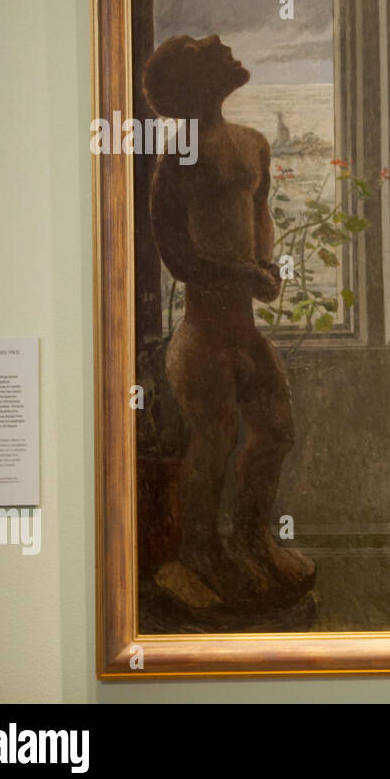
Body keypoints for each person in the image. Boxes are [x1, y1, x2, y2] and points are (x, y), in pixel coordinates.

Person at [145, 34, 315, 610]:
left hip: (244, 332)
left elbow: (261, 214)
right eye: (200, 47)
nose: (218, 42)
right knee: (214, 439)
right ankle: (196, 557)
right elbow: (177, 256)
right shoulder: (180, 156)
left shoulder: (253, 143)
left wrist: (267, 268)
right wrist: (247, 275)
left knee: (277, 431)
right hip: (201, 337)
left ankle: (250, 538)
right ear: (187, 85)